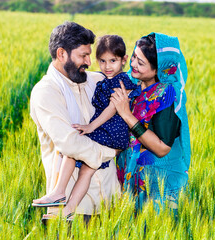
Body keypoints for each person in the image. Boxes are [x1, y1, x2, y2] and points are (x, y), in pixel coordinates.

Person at [32, 35, 138, 218]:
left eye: (90, 55)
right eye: (84, 56)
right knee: (74, 152)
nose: (90, 62)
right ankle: (60, 195)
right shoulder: (46, 91)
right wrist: (110, 152)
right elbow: (70, 144)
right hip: (80, 211)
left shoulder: (96, 79)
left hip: (109, 198)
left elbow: (117, 108)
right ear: (62, 54)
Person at [111, 33, 191, 211]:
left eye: (140, 63)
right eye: (133, 57)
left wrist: (127, 114)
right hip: (133, 175)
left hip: (159, 183)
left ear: (158, 70)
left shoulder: (167, 95)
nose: (133, 65)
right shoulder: (133, 85)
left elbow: (162, 148)